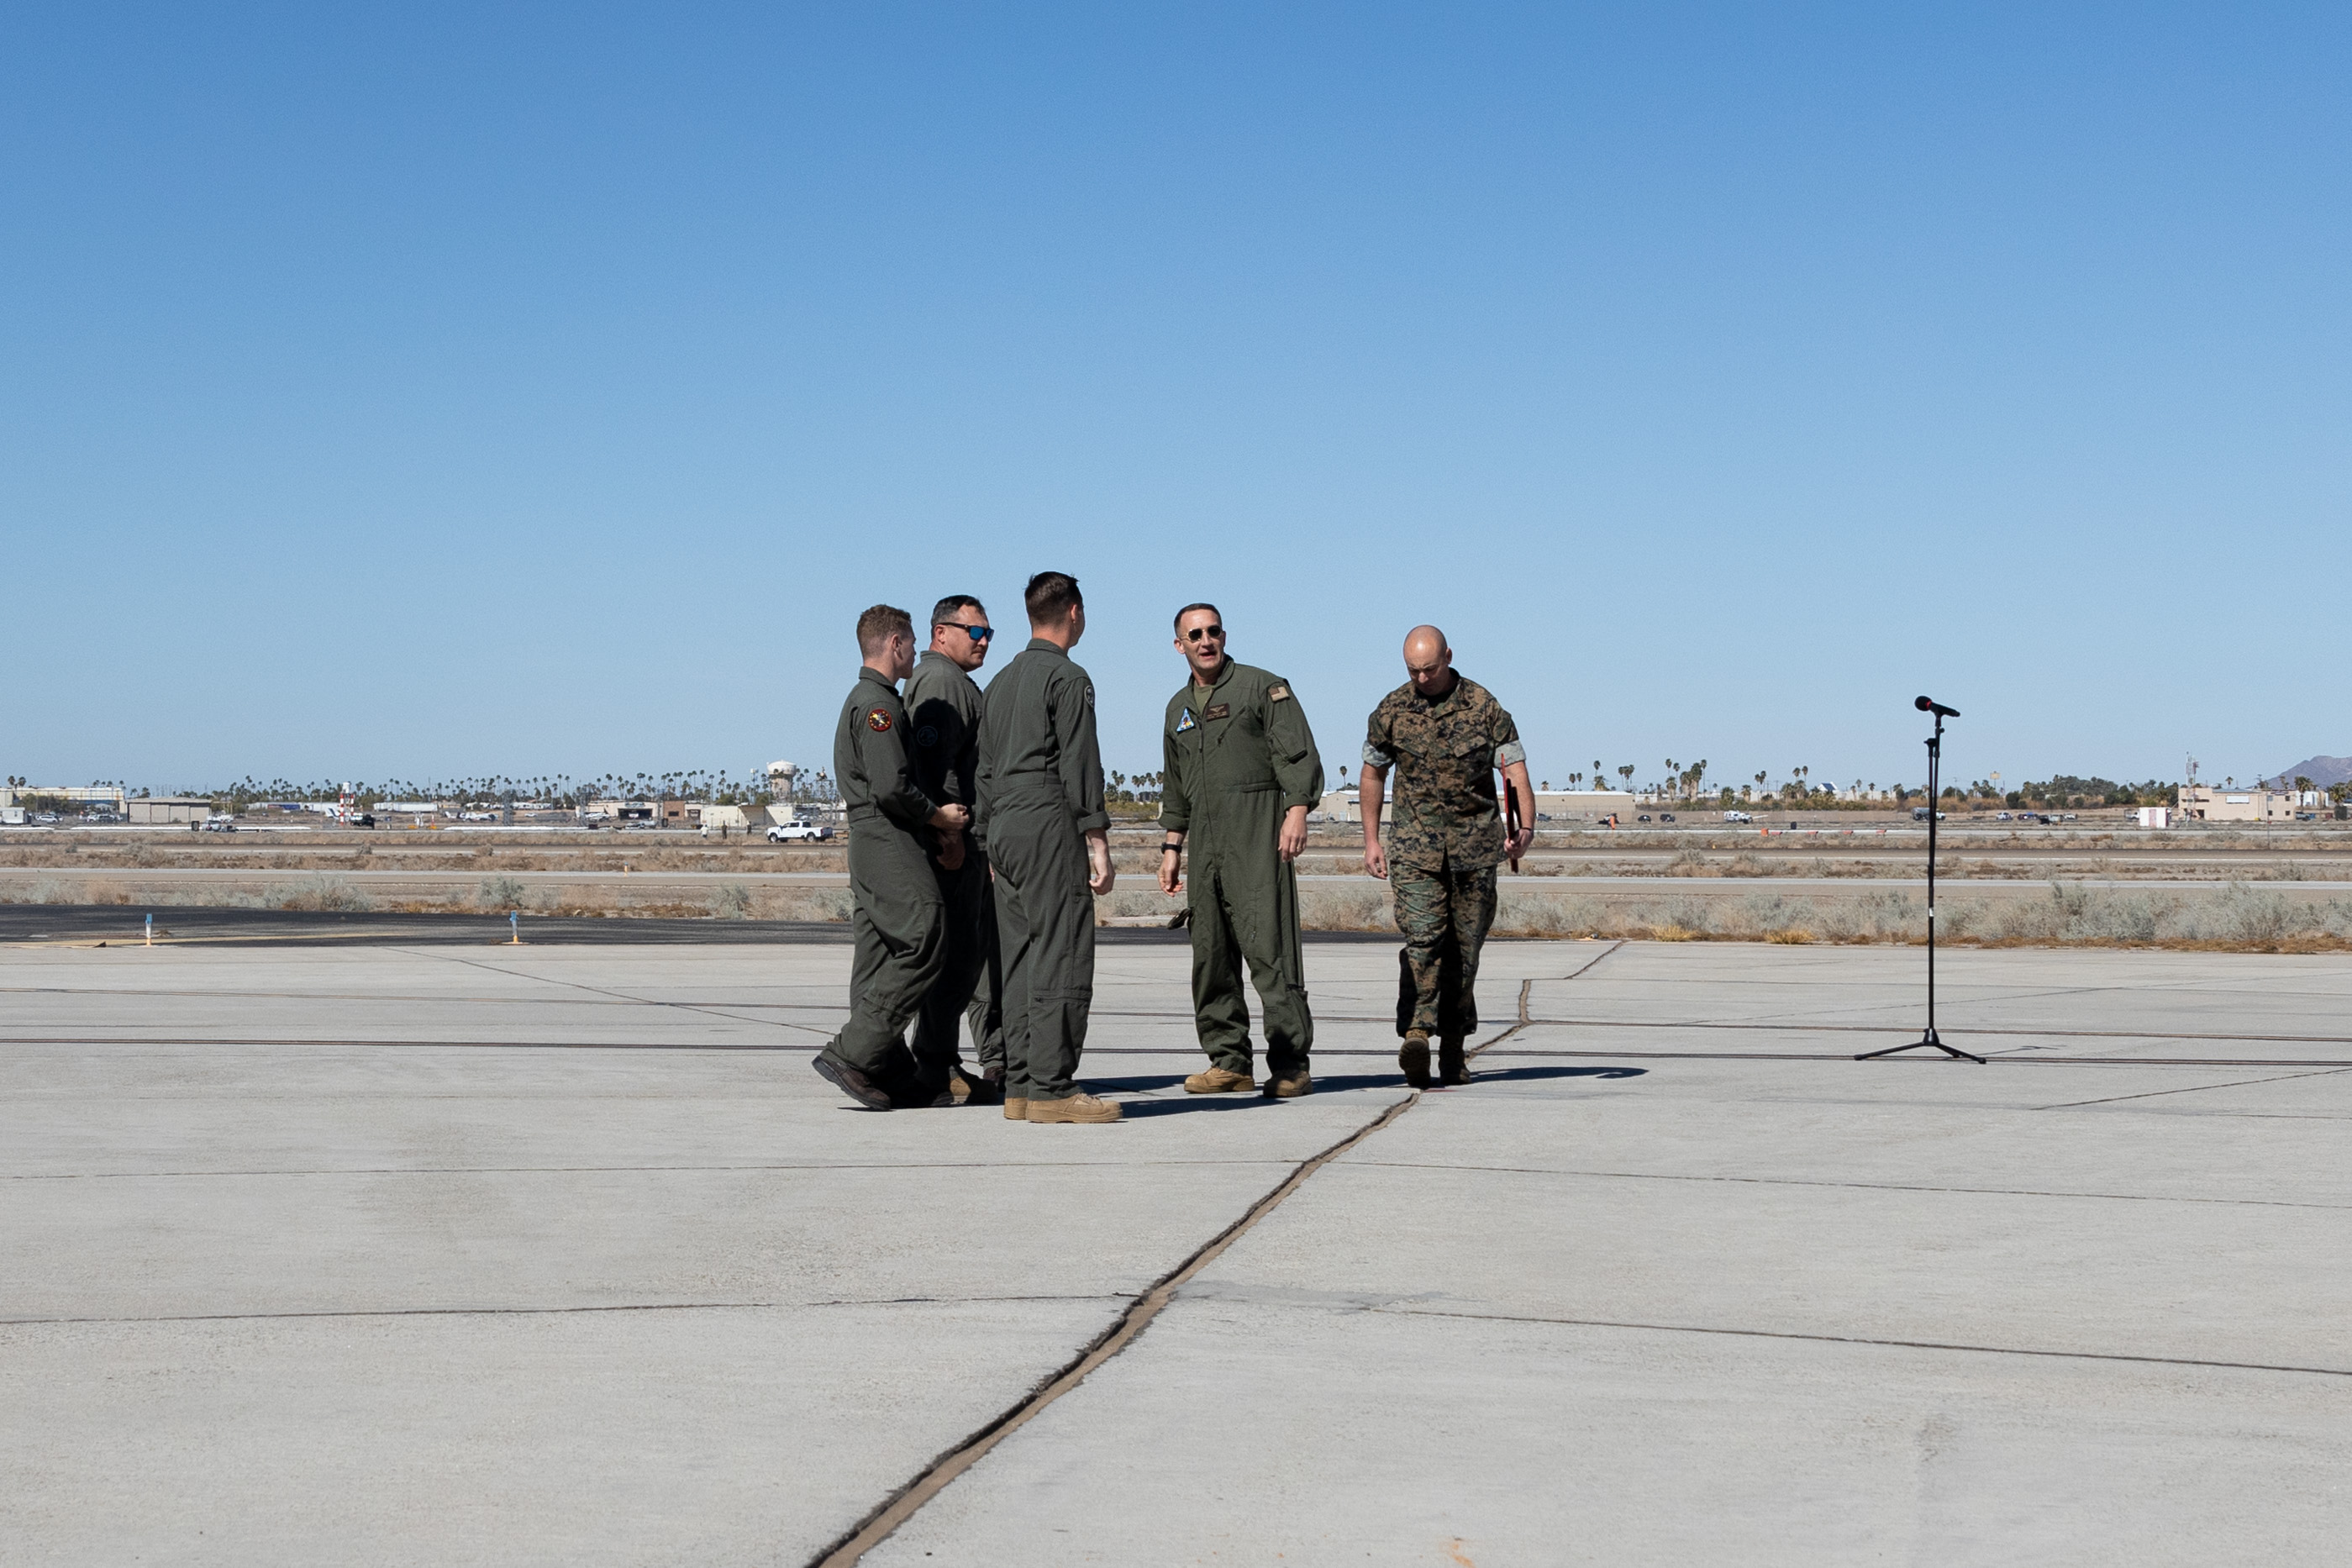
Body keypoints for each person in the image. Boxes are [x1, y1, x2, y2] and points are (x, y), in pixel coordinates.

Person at [1156, 604, 1324, 1097]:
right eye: (1194, 635)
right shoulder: (1177, 710)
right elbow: (1175, 785)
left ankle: (1291, 1063)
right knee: (1210, 954)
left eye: (1212, 632)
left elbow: (1297, 752)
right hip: (1206, 846)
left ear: (1223, 635)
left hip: (1257, 834)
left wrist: (1297, 809)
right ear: (1179, 645)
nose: (1205, 641)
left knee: (1270, 950)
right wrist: (1172, 846)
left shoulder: (1262, 687)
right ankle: (1229, 1060)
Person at [1359, 624, 1535, 1089]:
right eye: (1413, 670)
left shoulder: (1484, 706)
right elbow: (1373, 775)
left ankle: (1453, 1050)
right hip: (1415, 850)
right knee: (1424, 940)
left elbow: (1515, 770)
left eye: (1429, 669)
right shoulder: (1392, 710)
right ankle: (1417, 1031)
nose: (1421, 678)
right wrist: (1371, 840)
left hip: (1475, 851)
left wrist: (1526, 828)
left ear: (1449, 657)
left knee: (1465, 953)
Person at [812, 604, 971, 1110]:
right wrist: (940, 818)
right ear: (896, 644)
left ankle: (887, 1065)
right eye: (910, 642)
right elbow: (891, 787)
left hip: (878, 839)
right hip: (887, 835)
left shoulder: (873, 700)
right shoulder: (877, 705)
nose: (914, 652)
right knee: (927, 932)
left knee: (880, 949)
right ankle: (855, 1051)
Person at [975, 571, 1120, 1124]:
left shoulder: (1001, 683)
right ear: (1074, 612)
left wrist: (989, 839)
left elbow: (983, 770)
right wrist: (1097, 839)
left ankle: (1019, 1086)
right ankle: (1052, 1087)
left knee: (1017, 960)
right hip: (1044, 819)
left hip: (1005, 828)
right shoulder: (1067, 677)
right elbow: (1080, 762)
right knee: (1060, 949)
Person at [903, 592, 1007, 1105]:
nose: (984, 641)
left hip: (962, 842)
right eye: (976, 631)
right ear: (941, 633)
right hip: (952, 845)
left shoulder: (954, 682)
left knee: (962, 958)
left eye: (989, 633)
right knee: (958, 958)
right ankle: (935, 1066)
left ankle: (940, 1061)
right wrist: (951, 837)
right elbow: (934, 770)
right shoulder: (942, 681)